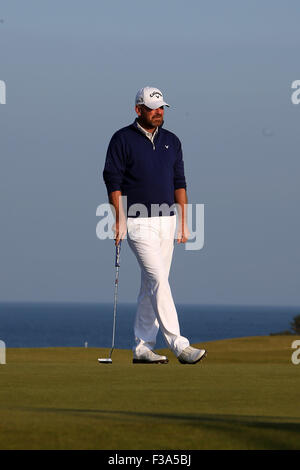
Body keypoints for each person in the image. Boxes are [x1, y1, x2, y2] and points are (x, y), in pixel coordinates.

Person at [103, 86, 207, 364]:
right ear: (139, 110)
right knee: (159, 281)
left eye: (161, 108)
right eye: (152, 108)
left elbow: (179, 183)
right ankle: (180, 345)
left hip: (167, 222)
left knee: (151, 285)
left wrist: (184, 222)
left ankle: (142, 347)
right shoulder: (122, 139)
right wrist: (118, 218)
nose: (158, 112)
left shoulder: (172, 141)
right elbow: (112, 179)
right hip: (138, 223)